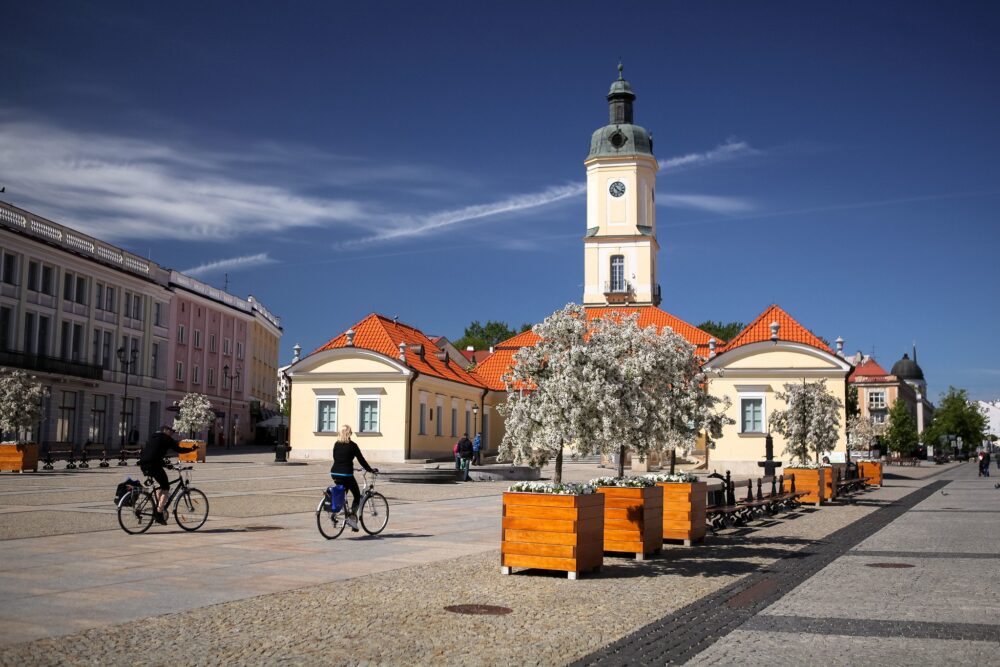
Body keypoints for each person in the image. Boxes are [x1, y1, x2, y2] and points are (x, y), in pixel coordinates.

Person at [139, 425, 197, 525]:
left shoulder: (154, 437)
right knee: (166, 486)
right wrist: (192, 449)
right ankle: (159, 513)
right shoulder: (167, 438)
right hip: (153, 465)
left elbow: (155, 452)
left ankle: (158, 506)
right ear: (165, 430)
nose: (172, 433)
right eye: (171, 431)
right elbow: (179, 449)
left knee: (162, 484)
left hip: (144, 464)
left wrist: (166, 465)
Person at [330, 425, 377, 531]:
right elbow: (361, 459)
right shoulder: (353, 445)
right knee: (356, 496)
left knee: (342, 493)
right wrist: (369, 469)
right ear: (349, 433)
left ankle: (335, 513)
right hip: (346, 474)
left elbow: (337, 458)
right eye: (350, 432)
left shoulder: (336, 444)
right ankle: (351, 519)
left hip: (334, 472)